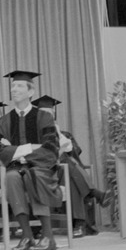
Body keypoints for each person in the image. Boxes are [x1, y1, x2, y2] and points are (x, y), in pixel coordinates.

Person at [0, 71, 62, 250]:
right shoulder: (4, 120)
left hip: (41, 168)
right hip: (15, 168)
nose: (14, 90)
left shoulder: (44, 117)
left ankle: (48, 237)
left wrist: (15, 151)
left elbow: (51, 147)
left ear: (30, 92)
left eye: (19, 86)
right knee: (11, 178)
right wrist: (26, 149)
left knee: (32, 175)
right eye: (13, 86)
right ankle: (26, 236)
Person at [31, 95, 113, 238]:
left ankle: (81, 223)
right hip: (45, 173)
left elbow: (75, 153)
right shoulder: (34, 137)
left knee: (69, 171)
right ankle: (94, 196)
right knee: (68, 166)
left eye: (49, 114)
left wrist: (58, 136)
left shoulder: (64, 134)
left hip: (63, 173)